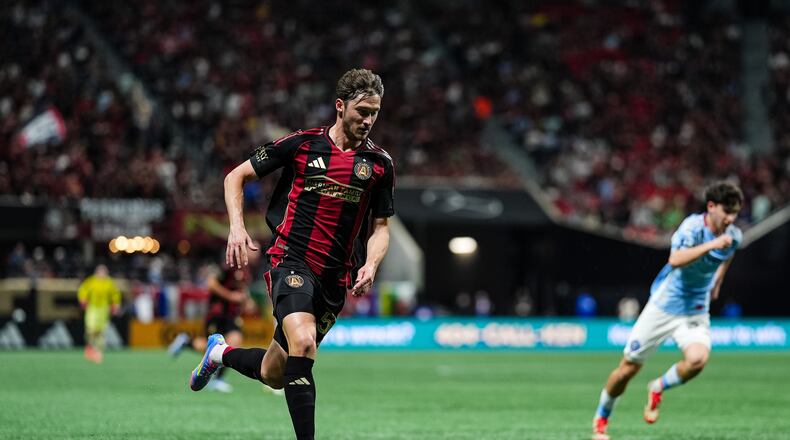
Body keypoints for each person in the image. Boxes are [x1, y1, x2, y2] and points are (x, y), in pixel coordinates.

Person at [188, 68, 394, 440]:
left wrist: (372, 263)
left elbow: (381, 227)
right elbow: (235, 177)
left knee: (275, 372)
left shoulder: (379, 164)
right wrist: (236, 227)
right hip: (292, 260)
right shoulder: (302, 145)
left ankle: (218, 354)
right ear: (340, 106)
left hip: (335, 278)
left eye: (374, 113)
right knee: (304, 342)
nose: (368, 120)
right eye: (362, 111)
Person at [592, 181, 743, 440]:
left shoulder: (733, 236)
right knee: (627, 369)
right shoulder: (692, 228)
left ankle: (658, 386)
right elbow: (675, 259)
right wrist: (711, 245)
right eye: (726, 211)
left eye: (735, 213)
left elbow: (729, 254)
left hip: (695, 308)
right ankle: (601, 419)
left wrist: (718, 280)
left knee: (697, 360)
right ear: (711, 207)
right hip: (663, 306)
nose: (730, 218)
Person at [168, 248, 260, 392]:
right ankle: (187, 343)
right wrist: (230, 296)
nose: (257, 252)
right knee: (212, 347)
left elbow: (240, 292)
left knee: (233, 342)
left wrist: (247, 302)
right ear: (244, 250)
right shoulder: (229, 265)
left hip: (231, 314)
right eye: (253, 249)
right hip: (217, 313)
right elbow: (210, 283)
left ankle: (217, 378)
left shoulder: (247, 271)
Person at [77, 264, 121, 364]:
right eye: (100, 272)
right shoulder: (91, 281)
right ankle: (90, 348)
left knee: (101, 331)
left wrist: (115, 304)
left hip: (104, 309)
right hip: (92, 309)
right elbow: (82, 290)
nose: (102, 274)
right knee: (91, 329)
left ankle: (98, 352)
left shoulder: (109, 283)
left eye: (104, 272)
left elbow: (115, 294)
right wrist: (83, 299)